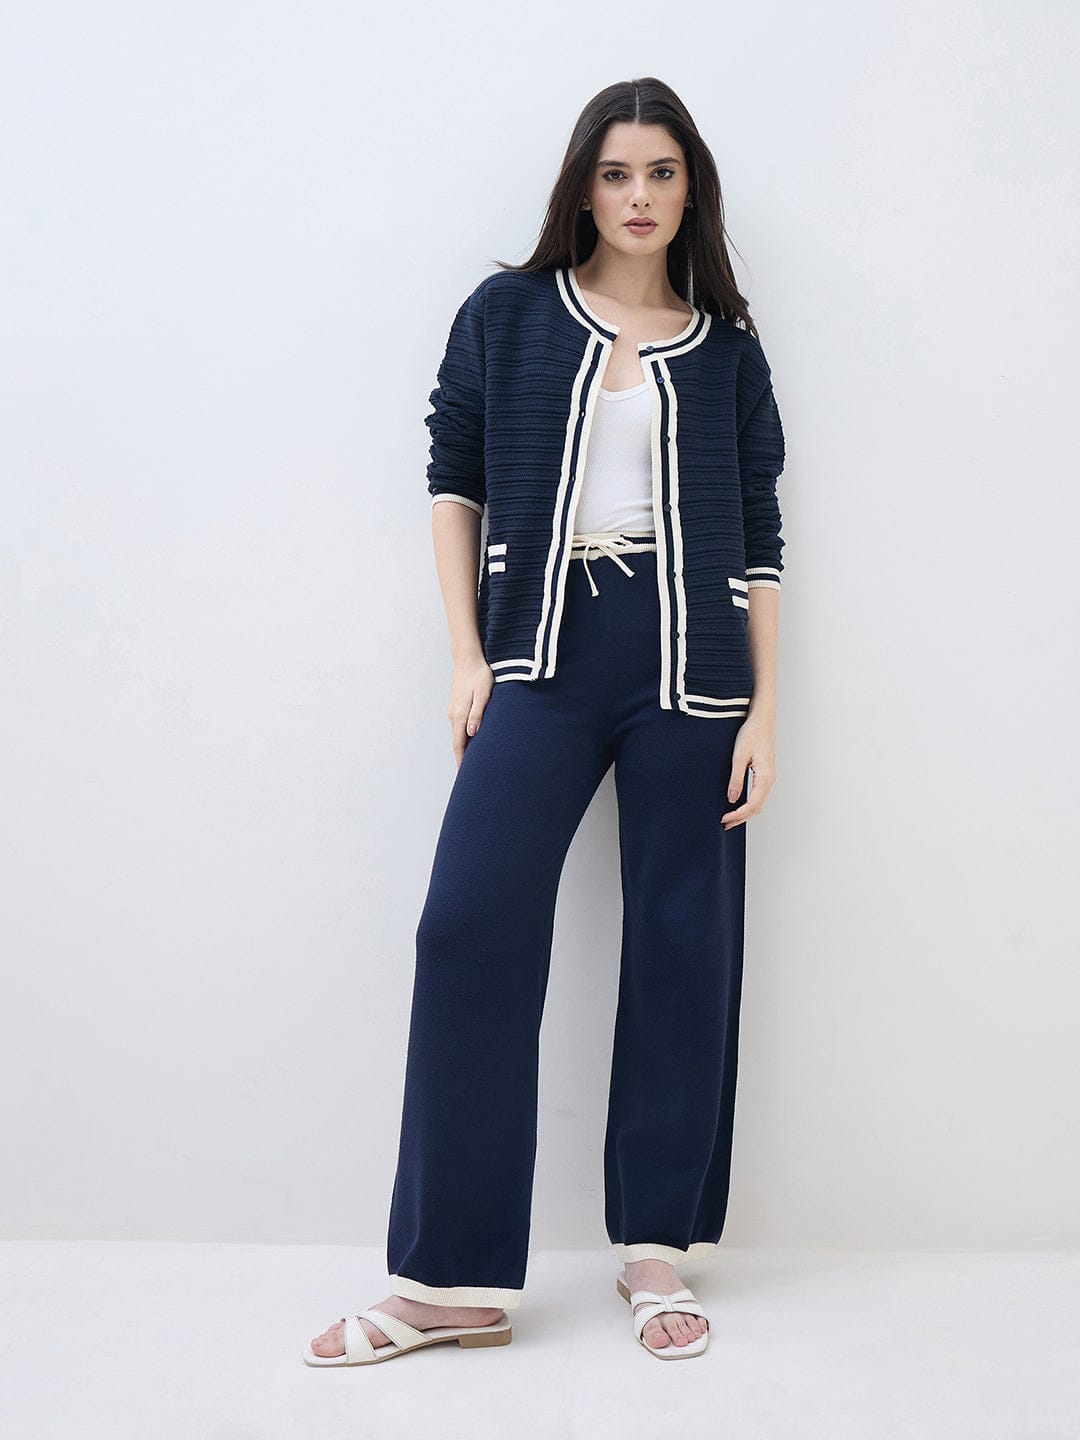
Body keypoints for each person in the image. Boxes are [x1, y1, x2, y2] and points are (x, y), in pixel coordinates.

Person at [304, 74, 786, 1366]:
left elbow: (760, 540)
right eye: (617, 172)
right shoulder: (509, 314)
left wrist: (766, 709)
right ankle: (451, 1282)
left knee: (684, 947)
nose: (639, 196)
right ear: (583, 185)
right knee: (468, 927)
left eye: (663, 173)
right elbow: (452, 479)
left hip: (694, 676)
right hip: (539, 659)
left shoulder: (727, 350)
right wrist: (469, 656)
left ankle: (657, 1250)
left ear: (692, 191)